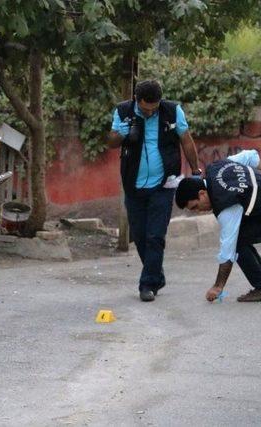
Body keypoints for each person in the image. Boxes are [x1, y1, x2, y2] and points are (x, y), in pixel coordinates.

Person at [108, 79, 200, 302]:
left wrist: (196, 170)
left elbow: (186, 140)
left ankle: (147, 284)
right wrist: (122, 133)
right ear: (136, 101)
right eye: (145, 109)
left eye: (154, 108)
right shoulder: (124, 111)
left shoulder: (172, 110)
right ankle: (156, 274)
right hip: (134, 185)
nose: (149, 113)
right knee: (139, 236)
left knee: (155, 236)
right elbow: (111, 143)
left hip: (164, 185)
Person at [175, 149, 261, 302]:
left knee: (236, 240)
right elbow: (252, 156)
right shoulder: (218, 167)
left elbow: (227, 251)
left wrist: (218, 286)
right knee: (241, 234)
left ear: (202, 193)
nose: (198, 212)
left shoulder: (225, 204)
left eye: (195, 207)